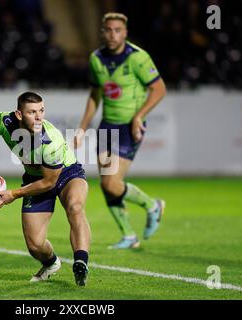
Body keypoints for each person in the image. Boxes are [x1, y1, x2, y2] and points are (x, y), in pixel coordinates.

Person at [0, 91, 91, 286]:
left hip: (67, 173)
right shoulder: (4, 122)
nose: (39, 117)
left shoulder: (50, 141)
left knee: (75, 208)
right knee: (35, 245)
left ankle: (81, 262)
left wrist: (13, 194)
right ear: (19, 114)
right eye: (32, 112)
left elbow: (49, 182)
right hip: (35, 178)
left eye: (42, 111)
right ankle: (51, 263)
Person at [74, 12, 167, 249]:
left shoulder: (138, 58)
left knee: (111, 183)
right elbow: (95, 94)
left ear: (125, 32)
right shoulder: (96, 58)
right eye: (108, 30)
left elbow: (159, 89)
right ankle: (128, 235)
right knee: (106, 183)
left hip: (129, 126)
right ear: (102, 32)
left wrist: (139, 117)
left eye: (118, 30)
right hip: (107, 125)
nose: (112, 34)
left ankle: (152, 206)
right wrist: (83, 127)